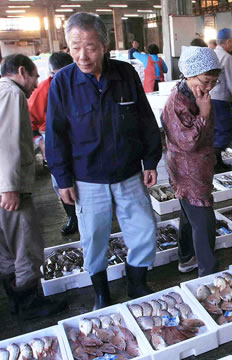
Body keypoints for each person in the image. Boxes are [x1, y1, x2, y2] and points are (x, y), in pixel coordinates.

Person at [45, 13, 162, 310]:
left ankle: (137, 283)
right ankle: (102, 294)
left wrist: (150, 161)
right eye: (75, 47)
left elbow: (145, 120)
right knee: (94, 238)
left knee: (144, 229)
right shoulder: (62, 82)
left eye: (91, 47)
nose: (83, 55)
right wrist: (62, 179)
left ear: (105, 44)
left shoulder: (125, 74)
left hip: (128, 172)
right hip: (87, 177)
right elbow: (55, 135)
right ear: (67, 47)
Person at [0, 54, 67, 319]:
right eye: (35, 76)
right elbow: (7, 142)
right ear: (21, 71)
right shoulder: (13, 94)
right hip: (11, 188)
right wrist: (10, 187)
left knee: (5, 248)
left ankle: (16, 301)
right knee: (26, 244)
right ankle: (30, 304)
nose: (36, 82)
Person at [162, 46, 220, 276]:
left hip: (200, 167)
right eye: (205, 81)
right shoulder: (177, 102)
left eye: (213, 82)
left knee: (189, 215)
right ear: (188, 73)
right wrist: (204, 113)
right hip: (187, 170)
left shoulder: (195, 94)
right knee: (204, 222)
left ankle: (187, 258)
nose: (207, 88)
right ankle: (208, 274)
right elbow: (188, 142)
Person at [28, 51, 78, 236]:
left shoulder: (81, 83)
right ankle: (73, 218)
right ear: (50, 74)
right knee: (61, 180)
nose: (61, 79)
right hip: (52, 138)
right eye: (56, 75)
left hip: (79, 135)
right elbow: (30, 120)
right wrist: (40, 142)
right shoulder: (43, 90)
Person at [210, 28, 232, 172]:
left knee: (214, 130)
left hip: (210, 98)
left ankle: (216, 160)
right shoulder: (226, 57)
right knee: (224, 130)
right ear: (227, 42)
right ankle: (216, 163)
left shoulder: (213, 54)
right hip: (221, 99)